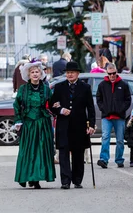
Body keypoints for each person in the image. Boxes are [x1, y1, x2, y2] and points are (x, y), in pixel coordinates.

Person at [50, 61, 96, 189]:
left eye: (72, 73)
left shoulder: (85, 87)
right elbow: (52, 105)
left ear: (77, 74)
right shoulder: (59, 87)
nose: (69, 75)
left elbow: (90, 108)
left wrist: (91, 125)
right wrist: (60, 110)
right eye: (68, 73)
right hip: (63, 126)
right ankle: (65, 181)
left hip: (79, 125)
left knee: (78, 153)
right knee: (64, 153)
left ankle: (77, 179)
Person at [13, 61, 55, 189]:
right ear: (28, 74)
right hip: (29, 124)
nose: (35, 74)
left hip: (42, 124)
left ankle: (36, 179)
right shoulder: (23, 89)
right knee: (27, 151)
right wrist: (18, 120)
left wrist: (55, 107)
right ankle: (25, 176)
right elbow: (16, 105)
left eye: (37, 72)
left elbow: (52, 104)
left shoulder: (46, 89)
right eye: (32, 72)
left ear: (41, 74)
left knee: (40, 151)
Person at [96, 63, 132, 169]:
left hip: (119, 116)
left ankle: (119, 159)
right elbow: (99, 99)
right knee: (105, 137)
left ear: (116, 72)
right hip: (106, 116)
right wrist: (104, 108)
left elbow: (128, 99)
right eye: (110, 73)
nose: (112, 75)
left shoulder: (123, 85)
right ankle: (104, 159)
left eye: (114, 73)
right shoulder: (102, 85)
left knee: (120, 140)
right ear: (107, 73)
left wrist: (121, 109)